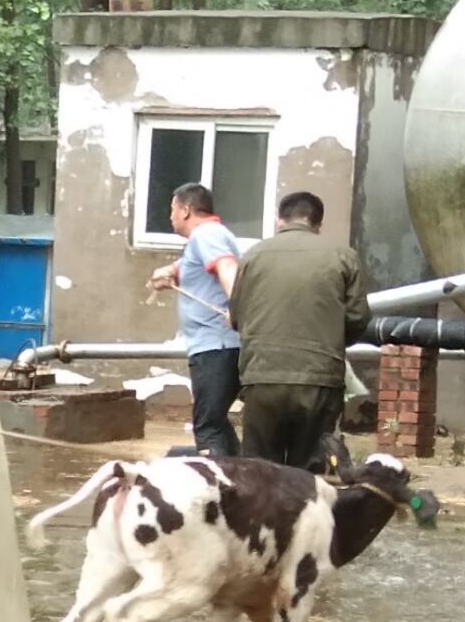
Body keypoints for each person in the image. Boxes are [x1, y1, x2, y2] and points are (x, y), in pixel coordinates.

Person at [231, 191, 372, 470]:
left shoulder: (252, 256)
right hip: (319, 378)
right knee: (308, 473)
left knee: (260, 472)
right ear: (318, 224)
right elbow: (357, 317)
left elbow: (237, 318)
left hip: (263, 376)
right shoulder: (344, 256)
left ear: (279, 220)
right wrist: (330, 341)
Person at [147, 183, 244, 457]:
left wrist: (237, 308)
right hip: (219, 346)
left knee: (208, 426)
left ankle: (215, 479)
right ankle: (238, 471)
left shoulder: (206, 234)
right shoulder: (209, 237)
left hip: (217, 347)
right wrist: (168, 273)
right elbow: (191, 266)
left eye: (172, 209)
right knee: (216, 421)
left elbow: (227, 267)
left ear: (186, 210)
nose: (170, 216)